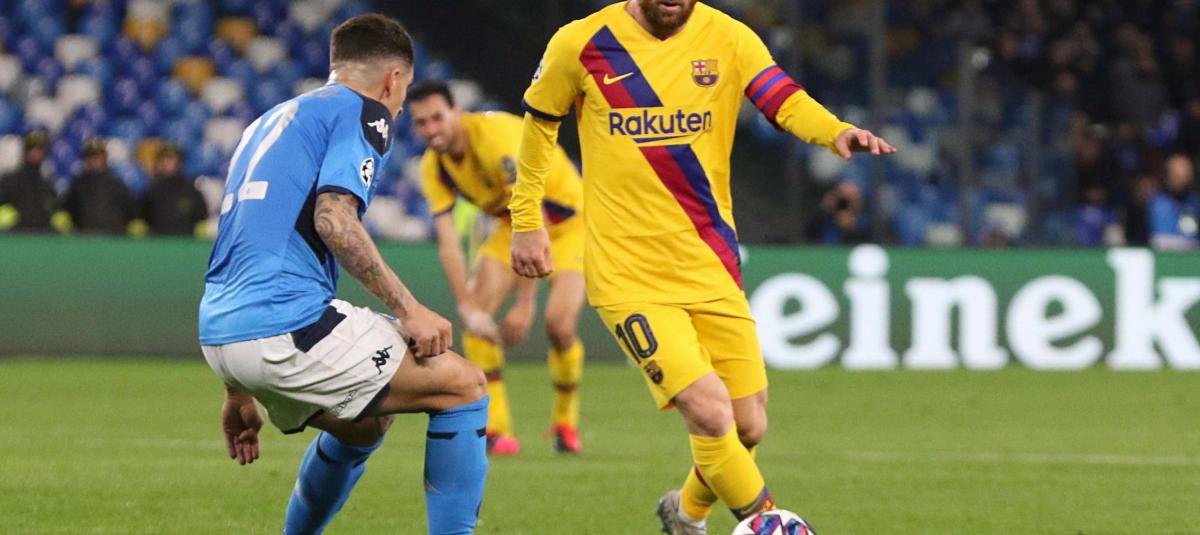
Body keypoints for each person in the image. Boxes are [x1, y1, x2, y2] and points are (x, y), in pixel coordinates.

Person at [508, 1, 894, 533]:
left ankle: (685, 514)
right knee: (710, 412)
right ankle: (770, 525)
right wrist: (526, 219)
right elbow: (539, 127)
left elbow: (781, 97)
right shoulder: (581, 43)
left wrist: (833, 131)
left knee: (748, 425)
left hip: (710, 263)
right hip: (628, 273)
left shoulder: (728, 37)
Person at [197, 14, 488, 535]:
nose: (400, 106)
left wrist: (235, 387)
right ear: (393, 80)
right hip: (283, 324)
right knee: (464, 386)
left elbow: (242, 242)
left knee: (364, 426)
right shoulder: (363, 112)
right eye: (404, 92)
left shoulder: (267, 122)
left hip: (222, 331)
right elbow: (333, 219)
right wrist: (409, 309)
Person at [408, 80, 587, 455]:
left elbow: (533, 212)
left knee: (559, 325)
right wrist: (465, 306)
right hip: (513, 226)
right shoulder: (433, 167)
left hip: (569, 223)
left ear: (457, 112)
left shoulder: (495, 137)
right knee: (477, 322)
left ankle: (565, 422)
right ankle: (497, 430)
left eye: (438, 118)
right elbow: (448, 243)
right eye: (421, 123)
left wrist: (525, 302)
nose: (431, 129)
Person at [63, 138, 137, 235]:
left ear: (104, 159)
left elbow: (130, 212)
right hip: (85, 238)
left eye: (97, 157)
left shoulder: (116, 185)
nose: (93, 161)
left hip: (112, 238)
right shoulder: (77, 185)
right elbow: (69, 211)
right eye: (89, 157)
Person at [142, 142, 208, 236]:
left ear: (179, 162)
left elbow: (201, 216)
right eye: (163, 159)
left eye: (170, 159)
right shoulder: (150, 191)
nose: (166, 163)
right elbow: (143, 218)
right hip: (158, 242)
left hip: (186, 241)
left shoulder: (191, 191)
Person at [0, 131, 57, 233]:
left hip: (41, 237)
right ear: (24, 152)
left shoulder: (47, 184)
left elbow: (52, 212)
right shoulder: (10, 180)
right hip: (14, 237)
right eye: (31, 149)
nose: (35, 153)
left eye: (39, 149)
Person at [1149, 153, 1200, 249]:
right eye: (1177, 176)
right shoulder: (1153, 204)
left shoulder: (1196, 203)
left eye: (1186, 175)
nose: (1182, 181)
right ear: (1167, 176)